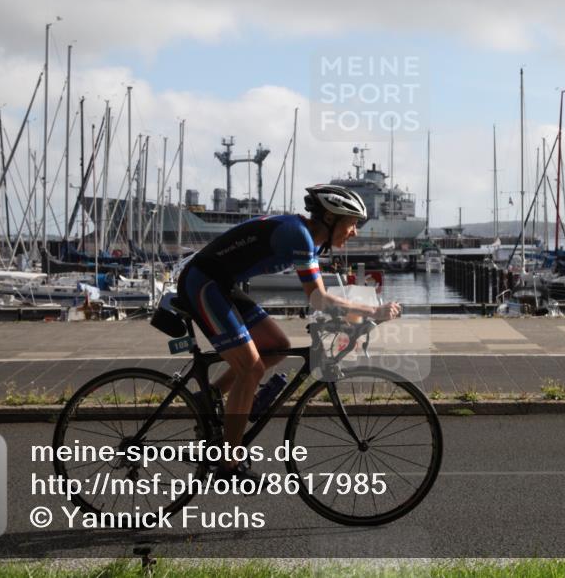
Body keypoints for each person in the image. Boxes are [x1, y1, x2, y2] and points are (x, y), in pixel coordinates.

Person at [171, 185, 401, 481]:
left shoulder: (309, 240)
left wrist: (352, 318)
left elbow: (318, 300)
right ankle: (228, 465)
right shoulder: (299, 235)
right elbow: (318, 298)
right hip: (202, 285)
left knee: (277, 345)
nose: (355, 232)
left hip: (222, 285)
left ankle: (210, 396)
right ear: (330, 219)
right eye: (352, 223)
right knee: (251, 368)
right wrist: (373, 311)